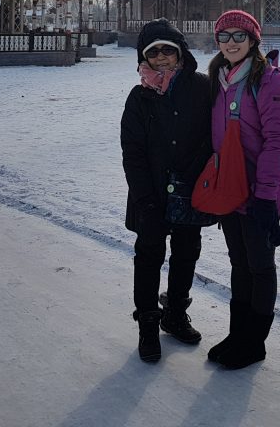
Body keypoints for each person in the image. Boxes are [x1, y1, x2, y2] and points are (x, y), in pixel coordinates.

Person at [120, 18, 213, 363]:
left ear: (179, 54)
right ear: (144, 58)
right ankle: (148, 323)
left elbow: (213, 135)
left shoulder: (202, 87)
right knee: (149, 256)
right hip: (151, 194)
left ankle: (175, 313)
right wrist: (144, 199)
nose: (161, 57)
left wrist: (198, 172)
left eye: (168, 50)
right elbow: (133, 150)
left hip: (190, 191)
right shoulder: (139, 96)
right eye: (153, 51)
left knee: (187, 252)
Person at [207, 10, 280, 370]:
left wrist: (266, 196)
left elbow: (277, 141)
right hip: (229, 190)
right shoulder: (218, 78)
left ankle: (254, 342)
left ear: (254, 40)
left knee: (260, 266)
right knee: (239, 264)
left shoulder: (270, 82)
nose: (231, 42)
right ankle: (237, 333)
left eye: (238, 36)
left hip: (260, 192)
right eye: (224, 36)